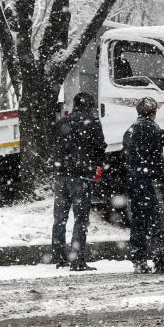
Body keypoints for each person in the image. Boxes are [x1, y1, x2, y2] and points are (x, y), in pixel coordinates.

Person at [122, 97, 164, 274]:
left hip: (134, 182)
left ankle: (139, 262)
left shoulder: (130, 130)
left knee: (138, 222)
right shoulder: (151, 127)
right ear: (153, 113)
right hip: (150, 181)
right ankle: (160, 262)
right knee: (157, 222)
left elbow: (125, 157)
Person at [52, 93, 107, 271]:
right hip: (81, 176)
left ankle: (59, 258)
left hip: (61, 176)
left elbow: (56, 148)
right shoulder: (93, 121)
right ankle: (77, 260)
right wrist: (98, 165)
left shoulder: (62, 122)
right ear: (90, 105)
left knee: (60, 218)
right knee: (80, 219)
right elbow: (99, 147)